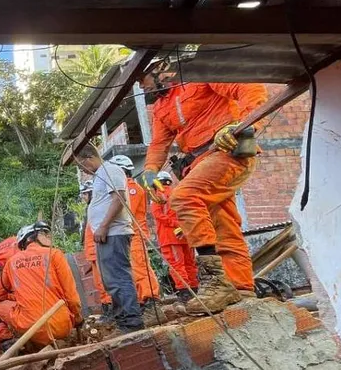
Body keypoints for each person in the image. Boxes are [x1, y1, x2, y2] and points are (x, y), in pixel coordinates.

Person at [137, 61, 267, 313]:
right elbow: (158, 144)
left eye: (143, 78)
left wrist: (245, 125)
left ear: (162, 67)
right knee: (223, 224)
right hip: (199, 161)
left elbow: (249, 88)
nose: (142, 85)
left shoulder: (198, 75)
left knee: (184, 197)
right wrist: (150, 170)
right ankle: (240, 289)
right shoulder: (161, 107)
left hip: (226, 149)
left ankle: (215, 282)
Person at [74, 144, 144, 332]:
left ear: (88, 157)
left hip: (114, 232)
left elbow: (118, 199)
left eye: (81, 165)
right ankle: (122, 317)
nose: (83, 170)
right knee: (111, 280)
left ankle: (131, 321)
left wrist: (103, 226)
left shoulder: (110, 170)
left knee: (119, 277)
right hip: (108, 234)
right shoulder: (101, 175)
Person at [0, 222, 82, 347]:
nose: (49, 237)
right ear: (30, 238)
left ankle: (6, 341)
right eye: (45, 233)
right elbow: (71, 296)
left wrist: (18, 296)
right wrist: (77, 317)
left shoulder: (12, 261)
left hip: (31, 329)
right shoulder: (55, 254)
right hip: (62, 326)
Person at [109, 155, 161, 311]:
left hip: (135, 235)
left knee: (140, 268)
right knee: (133, 269)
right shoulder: (127, 188)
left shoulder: (132, 188)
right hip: (129, 235)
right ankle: (143, 300)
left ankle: (151, 299)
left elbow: (125, 211)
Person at [149, 171, 199, 302]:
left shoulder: (158, 196)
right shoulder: (179, 193)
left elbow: (158, 215)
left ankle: (185, 293)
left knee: (177, 265)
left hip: (169, 238)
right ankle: (194, 289)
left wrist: (174, 223)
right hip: (186, 235)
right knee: (190, 263)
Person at [79, 180, 112, 317]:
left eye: (85, 194)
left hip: (98, 251)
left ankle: (110, 307)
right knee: (99, 283)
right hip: (93, 253)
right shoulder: (91, 208)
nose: (83, 197)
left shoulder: (97, 208)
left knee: (105, 282)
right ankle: (107, 307)